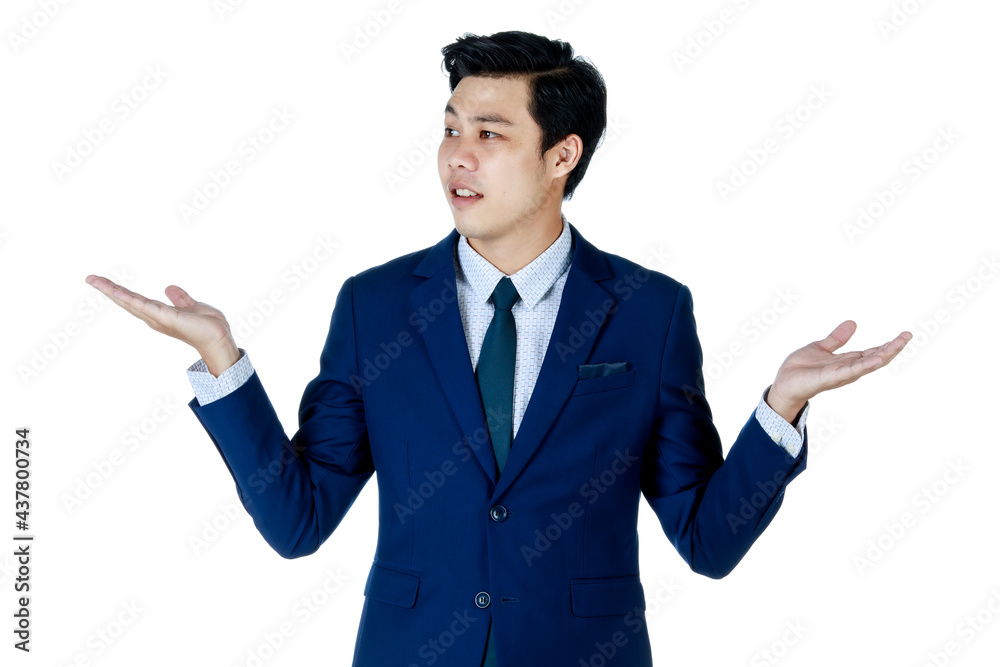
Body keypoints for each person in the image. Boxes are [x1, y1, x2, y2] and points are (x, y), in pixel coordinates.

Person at [85, 30, 910, 667]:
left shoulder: (649, 312)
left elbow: (708, 540)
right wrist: (223, 361)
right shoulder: (374, 305)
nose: (457, 154)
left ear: (562, 156)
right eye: (450, 128)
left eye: (488, 131)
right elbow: (298, 521)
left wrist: (781, 408)